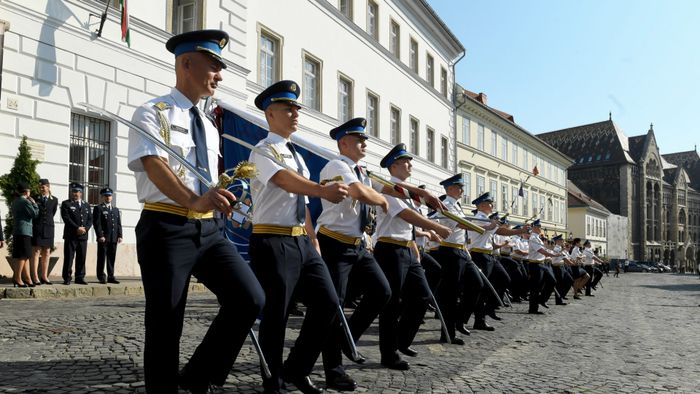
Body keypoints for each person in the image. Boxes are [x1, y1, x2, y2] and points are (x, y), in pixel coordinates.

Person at [127, 29, 265, 393]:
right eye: (214, 65)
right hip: (166, 227)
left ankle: (198, 376)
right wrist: (193, 200)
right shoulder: (152, 112)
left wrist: (222, 195)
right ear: (186, 63)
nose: (220, 75)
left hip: (208, 229)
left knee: (249, 297)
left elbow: (208, 175)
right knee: (166, 320)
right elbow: (153, 162)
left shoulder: (207, 122)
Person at [248, 80, 348, 394]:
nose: (295, 114)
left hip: (300, 241)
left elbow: (300, 201)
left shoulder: (296, 154)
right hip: (272, 240)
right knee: (276, 315)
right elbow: (284, 181)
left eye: (296, 109)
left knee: (328, 303)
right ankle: (273, 381)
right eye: (287, 108)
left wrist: (312, 238)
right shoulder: (263, 150)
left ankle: (296, 368)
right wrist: (321, 190)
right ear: (270, 114)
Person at [316, 117, 392, 391]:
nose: (364, 143)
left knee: (382, 291)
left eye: (364, 139)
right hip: (334, 243)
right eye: (359, 139)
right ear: (343, 143)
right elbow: (360, 192)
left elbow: (382, 186)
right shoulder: (336, 165)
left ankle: (347, 339)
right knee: (333, 307)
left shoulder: (361, 169)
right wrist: (382, 200)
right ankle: (333, 372)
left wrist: (415, 192)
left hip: (358, 245)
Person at [373, 143, 451, 371]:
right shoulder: (389, 188)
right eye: (405, 161)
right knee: (391, 304)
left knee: (422, 296)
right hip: (389, 249)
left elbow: (411, 223)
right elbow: (406, 216)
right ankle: (389, 354)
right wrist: (436, 226)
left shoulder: (407, 192)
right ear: (393, 165)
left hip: (406, 248)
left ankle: (401, 341)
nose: (410, 165)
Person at [430, 174, 481, 344]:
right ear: (450, 188)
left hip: (461, 251)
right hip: (450, 252)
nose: (462, 190)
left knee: (476, 283)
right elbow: (460, 224)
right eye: (459, 187)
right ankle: (448, 333)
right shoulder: (446, 205)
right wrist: (484, 227)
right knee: (450, 294)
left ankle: (460, 321)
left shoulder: (457, 205)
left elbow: (462, 229)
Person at [526, 220, 561, 314]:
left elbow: (545, 249)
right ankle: (533, 309)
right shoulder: (533, 238)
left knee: (552, 281)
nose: (540, 228)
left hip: (542, 263)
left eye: (540, 227)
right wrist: (554, 255)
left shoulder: (538, 238)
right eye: (539, 227)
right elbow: (541, 250)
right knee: (535, 288)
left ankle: (542, 300)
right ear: (534, 228)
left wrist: (551, 251)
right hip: (535, 264)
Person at [60, 182, 92, 285]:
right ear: (71, 192)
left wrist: (85, 229)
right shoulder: (66, 204)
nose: (76, 194)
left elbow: (90, 219)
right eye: (74, 191)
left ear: (81, 193)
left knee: (81, 257)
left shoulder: (86, 205)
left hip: (83, 235)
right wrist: (77, 228)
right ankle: (67, 277)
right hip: (71, 235)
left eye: (78, 191)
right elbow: (66, 218)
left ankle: (80, 277)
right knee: (69, 257)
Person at [92, 187, 123, 284]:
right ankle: (101, 276)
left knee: (111, 257)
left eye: (109, 195)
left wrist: (120, 235)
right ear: (102, 197)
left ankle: (111, 276)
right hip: (103, 238)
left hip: (113, 237)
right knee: (101, 257)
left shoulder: (115, 210)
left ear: (112, 197)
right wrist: (100, 235)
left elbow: (118, 223)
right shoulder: (99, 208)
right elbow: (97, 224)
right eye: (106, 196)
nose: (108, 197)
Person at [11, 182, 39, 287]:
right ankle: (17, 278)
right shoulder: (25, 201)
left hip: (17, 231)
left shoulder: (15, 201)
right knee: (23, 255)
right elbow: (34, 214)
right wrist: (34, 204)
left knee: (23, 255)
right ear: (27, 191)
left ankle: (27, 278)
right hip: (25, 231)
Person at [31, 178, 58, 285]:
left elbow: (53, 212)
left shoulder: (54, 200)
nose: (41, 189)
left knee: (47, 252)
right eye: (40, 187)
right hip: (37, 228)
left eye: (43, 187)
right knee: (36, 252)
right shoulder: (35, 198)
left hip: (49, 228)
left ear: (48, 186)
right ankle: (35, 277)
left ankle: (44, 276)